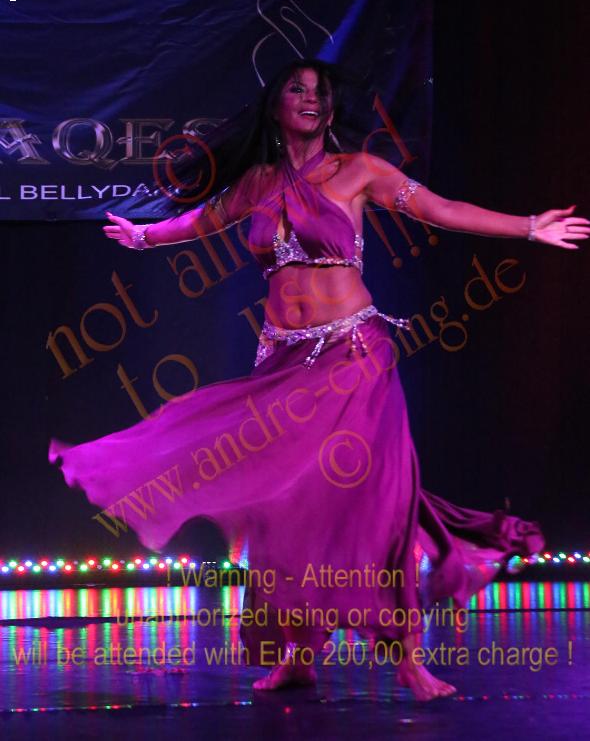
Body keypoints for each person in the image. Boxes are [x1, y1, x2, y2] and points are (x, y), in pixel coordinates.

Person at [49, 60, 589, 701]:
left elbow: (442, 210)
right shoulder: (258, 182)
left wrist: (528, 226)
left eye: (320, 93)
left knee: (373, 502)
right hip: (282, 364)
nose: (310, 99)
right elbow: (201, 222)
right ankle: (297, 655)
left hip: (355, 356)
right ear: (276, 105)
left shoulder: (358, 171)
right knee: (283, 508)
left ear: (331, 111)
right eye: (297, 90)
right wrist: (145, 236)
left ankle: (408, 657)